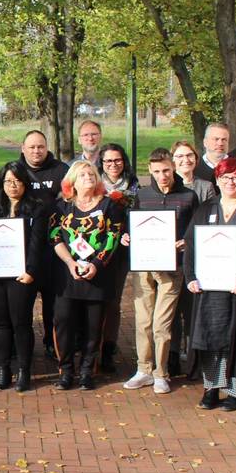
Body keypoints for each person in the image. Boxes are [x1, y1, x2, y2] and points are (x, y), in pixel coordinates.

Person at [184, 157, 236, 411]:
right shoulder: (206, 208)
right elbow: (191, 244)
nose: (231, 181)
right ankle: (212, 388)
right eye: (225, 177)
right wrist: (190, 277)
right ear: (218, 181)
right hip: (210, 288)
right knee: (211, 338)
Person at [122, 148, 196, 395]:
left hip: (172, 269)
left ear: (173, 167)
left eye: (166, 170)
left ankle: (161, 373)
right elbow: (136, 225)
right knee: (143, 321)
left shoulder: (188, 196)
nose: (162, 176)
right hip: (144, 267)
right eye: (156, 172)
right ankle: (143, 369)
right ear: (150, 171)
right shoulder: (142, 195)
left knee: (161, 324)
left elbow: (194, 229)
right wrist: (129, 237)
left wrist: (185, 240)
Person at [49, 160, 126, 391]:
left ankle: (87, 371)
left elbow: (113, 237)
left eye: (91, 174)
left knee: (94, 327)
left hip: (98, 275)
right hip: (67, 275)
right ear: (72, 181)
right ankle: (66, 370)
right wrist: (71, 263)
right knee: (63, 322)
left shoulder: (109, 206)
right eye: (82, 175)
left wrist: (96, 265)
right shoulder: (62, 206)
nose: (88, 178)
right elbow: (55, 237)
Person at [0, 161, 49, 391]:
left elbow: (37, 244)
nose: (12, 186)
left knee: (21, 323)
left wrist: (31, 271)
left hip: (22, 275)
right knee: (0, 324)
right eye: (8, 181)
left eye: (18, 181)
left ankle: (24, 370)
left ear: (25, 183)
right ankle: (3, 370)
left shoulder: (37, 208)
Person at [19, 130, 68, 360]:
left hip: (53, 248)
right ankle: (22, 346)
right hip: (23, 249)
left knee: (52, 303)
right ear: (23, 149)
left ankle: (51, 342)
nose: (36, 151)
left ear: (47, 147)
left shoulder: (60, 170)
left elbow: (71, 200)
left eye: (40, 146)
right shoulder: (15, 170)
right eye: (31, 147)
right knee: (23, 302)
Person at [96, 143, 137, 372]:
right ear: (101, 163)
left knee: (113, 301)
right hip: (96, 249)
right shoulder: (93, 183)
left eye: (117, 160)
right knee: (94, 300)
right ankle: (92, 345)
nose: (113, 165)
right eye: (108, 161)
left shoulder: (134, 186)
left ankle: (109, 348)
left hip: (120, 252)